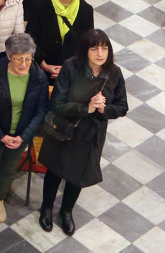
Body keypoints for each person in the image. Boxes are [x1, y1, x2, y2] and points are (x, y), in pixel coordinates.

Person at [38, 30, 128, 236]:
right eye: (94, 48)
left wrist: (103, 109)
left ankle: (66, 211)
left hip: (92, 134)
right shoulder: (70, 67)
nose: (100, 53)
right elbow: (57, 103)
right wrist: (85, 108)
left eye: (104, 48)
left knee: (78, 175)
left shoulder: (114, 73)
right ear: (85, 50)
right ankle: (46, 208)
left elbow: (122, 107)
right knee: (55, 170)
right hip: (66, 128)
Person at [0, 33, 49, 223]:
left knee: (8, 169)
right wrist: (0, 135)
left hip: (21, 134)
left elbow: (41, 111)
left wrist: (23, 137)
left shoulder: (39, 77)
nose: (24, 64)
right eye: (19, 59)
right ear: (8, 56)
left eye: (28, 59)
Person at [28, 0, 96, 80]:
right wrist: (43, 64)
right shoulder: (40, 7)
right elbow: (31, 37)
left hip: (73, 68)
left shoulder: (86, 9)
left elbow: (87, 41)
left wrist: (71, 68)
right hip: (44, 66)